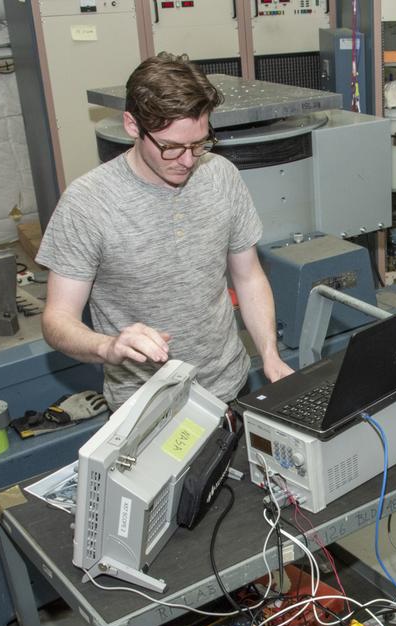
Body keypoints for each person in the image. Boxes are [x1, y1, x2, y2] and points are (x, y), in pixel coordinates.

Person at [37, 55, 292, 409]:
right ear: (132, 125)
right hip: (144, 406)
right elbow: (57, 319)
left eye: (199, 143)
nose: (188, 160)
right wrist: (107, 347)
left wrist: (269, 355)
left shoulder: (221, 175)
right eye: (171, 147)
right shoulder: (88, 203)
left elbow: (248, 277)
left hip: (229, 388)